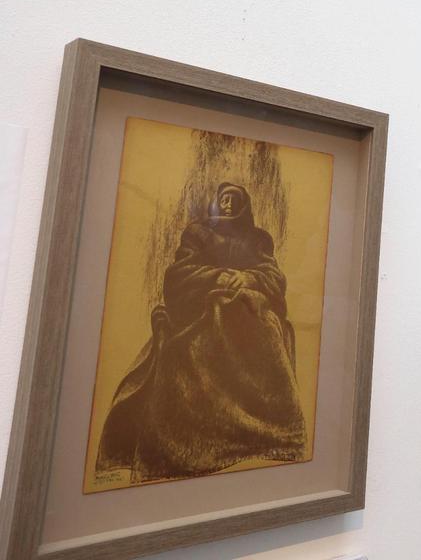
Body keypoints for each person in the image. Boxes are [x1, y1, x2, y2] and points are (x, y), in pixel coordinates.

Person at [97, 182, 306, 483]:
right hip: (203, 314)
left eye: (234, 200)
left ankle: (268, 435)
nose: (228, 205)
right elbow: (178, 274)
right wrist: (217, 277)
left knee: (268, 332)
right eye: (224, 199)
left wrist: (248, 279)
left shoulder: (259, 239)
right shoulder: (197, 234)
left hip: (250, 318)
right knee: (195, 344)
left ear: (244, 206)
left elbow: (273, 276)